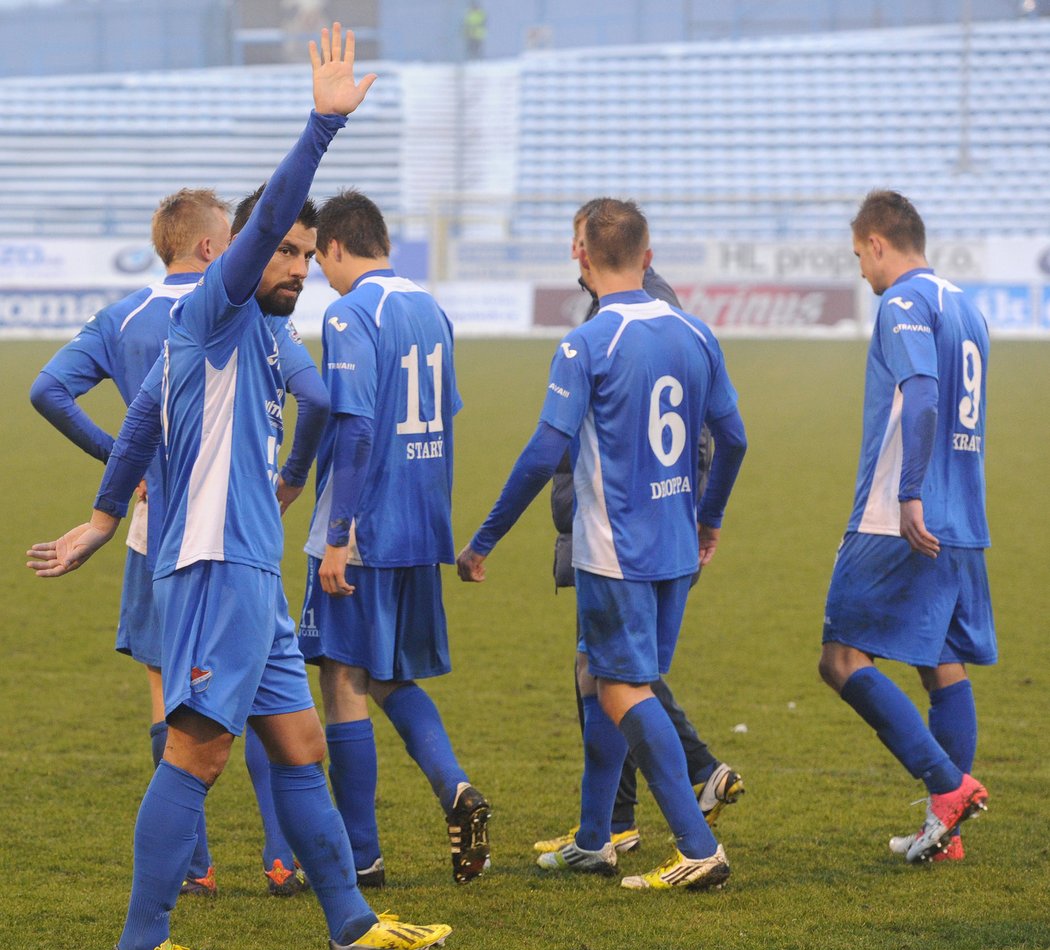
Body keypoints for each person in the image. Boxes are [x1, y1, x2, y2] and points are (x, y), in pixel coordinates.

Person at [27, 23, 451, 950]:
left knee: (300, 745)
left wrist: (101, 516)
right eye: (288, 251)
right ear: (244, 255)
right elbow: (256, 240)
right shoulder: (217, 306)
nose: (299, 267)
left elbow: (140, 417)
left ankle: (352, 926)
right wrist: (322, 128)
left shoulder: (255, 337)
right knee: (198, 752)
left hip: (253, 573)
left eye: (309, 254)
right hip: (216, 563)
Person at [29, 188, 325, 900]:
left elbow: (49, 391)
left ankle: (196, 867)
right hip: (231, 522)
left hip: (153, 524)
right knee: (250, 698)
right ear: (210, 246)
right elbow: (312, 398)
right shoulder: (241, 310)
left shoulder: (125, 315)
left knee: (170, 691)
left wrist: (120, 469)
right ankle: (280, 857)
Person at [457, 198, 747, 890]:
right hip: (676, 544)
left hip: (615, 551)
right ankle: (595, 838)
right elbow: (733, 438)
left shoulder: (587, 342)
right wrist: (709, 518)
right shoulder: (696, 332)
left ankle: (697, 844)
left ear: (579, 256)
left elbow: (541, 454)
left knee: (620, 688)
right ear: (648, 257)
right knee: (600, 675)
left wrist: (484, 539)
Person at [535, 199, 745, 858]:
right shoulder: (616, 310)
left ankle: (691, 794)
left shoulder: (640, 314)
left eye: (579, 239)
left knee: (622, 674)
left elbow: (702, 436)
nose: (575, 251)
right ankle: (602, 830)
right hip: (615, 522)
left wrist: (689, 510)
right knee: (598, 668)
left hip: (628, 529)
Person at [298, 188, 490, 888]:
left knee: (343, 679)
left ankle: (362, 854)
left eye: (319, 260)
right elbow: (446, 412)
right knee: (389, 675)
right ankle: (455, 789)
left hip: (367, 525)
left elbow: (354, 427)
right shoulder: (430, 309)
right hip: (422, 522)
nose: (320, 273)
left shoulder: (352, 314)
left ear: (338, 247)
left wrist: (340, 533)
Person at [818, 189, 992, 864]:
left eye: (860, 255)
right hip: (964, 516)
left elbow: (921, 394)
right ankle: (944, 835)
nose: (861, 270)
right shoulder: (968, 307)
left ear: (879, 243)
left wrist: (911, 491)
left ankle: (948, 789)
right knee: (941, 664)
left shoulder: (902, 302)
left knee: (840, 658)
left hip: (898, 516)